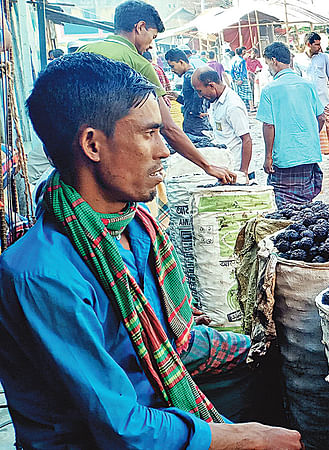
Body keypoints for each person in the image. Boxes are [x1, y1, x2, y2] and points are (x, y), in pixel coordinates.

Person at [3, 52, 302, 449]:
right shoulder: (42, 274)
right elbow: (120, 427)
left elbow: (172, 343)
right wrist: (243, 438)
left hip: (160, 408)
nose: (165, 150)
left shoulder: (140, 233)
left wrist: (268, 343)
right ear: (92, 145)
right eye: (149, 134)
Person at [77, 0, 233, 185]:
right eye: (153, 36)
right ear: (140, 27)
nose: (151, 45)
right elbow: (168, 127)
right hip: (120, 162)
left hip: (83, 158)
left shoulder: (82, 51)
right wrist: (208, 166)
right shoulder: (140, 65)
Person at [257, 42, 325, 207]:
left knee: (285, 206)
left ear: (274, 61)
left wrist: (268, 157)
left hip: (284, 157)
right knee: (306, 202)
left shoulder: (269, 90)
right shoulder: (308, 85)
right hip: (308, 153)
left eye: (267, 64)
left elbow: (269, 126)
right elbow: (321, 117)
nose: (268, 69)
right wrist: (309, 135)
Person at [192, 67, 253, 180]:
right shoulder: (215, 100)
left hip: (237, 168)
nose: (200, 96)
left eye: (200, 91)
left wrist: (243, 173)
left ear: (211, 85)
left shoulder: (233, 106)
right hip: (225, 167)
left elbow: (247, 139)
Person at [295, 32, 329, 163]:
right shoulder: (298, 59)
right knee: (310, 128)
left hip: (324, 99)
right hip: (306, 101)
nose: (319, 47)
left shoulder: (325, 57)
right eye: (316, 44)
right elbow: (297, 80)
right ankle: (312, 155)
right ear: (308, 44)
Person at [164, 48, 210, 137]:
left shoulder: (189, 76)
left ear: (181, 62)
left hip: (195, 125)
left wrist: (196, 112)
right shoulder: (192, 75)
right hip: (197, 123)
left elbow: (199, 95)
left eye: (172, 66)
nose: (172, 70)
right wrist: (178, 98)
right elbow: (191, 101)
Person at [245, 48, 262, 112]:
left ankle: (251, 104)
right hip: (246, 74)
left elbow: (260, 68)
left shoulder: (257, 61)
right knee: (247, 89)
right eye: (253, 53)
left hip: (252, 74)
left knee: (251, 90)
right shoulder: (247, 59)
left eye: (255, 54)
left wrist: (256, 72)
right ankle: (248, 104)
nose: (254, 55)